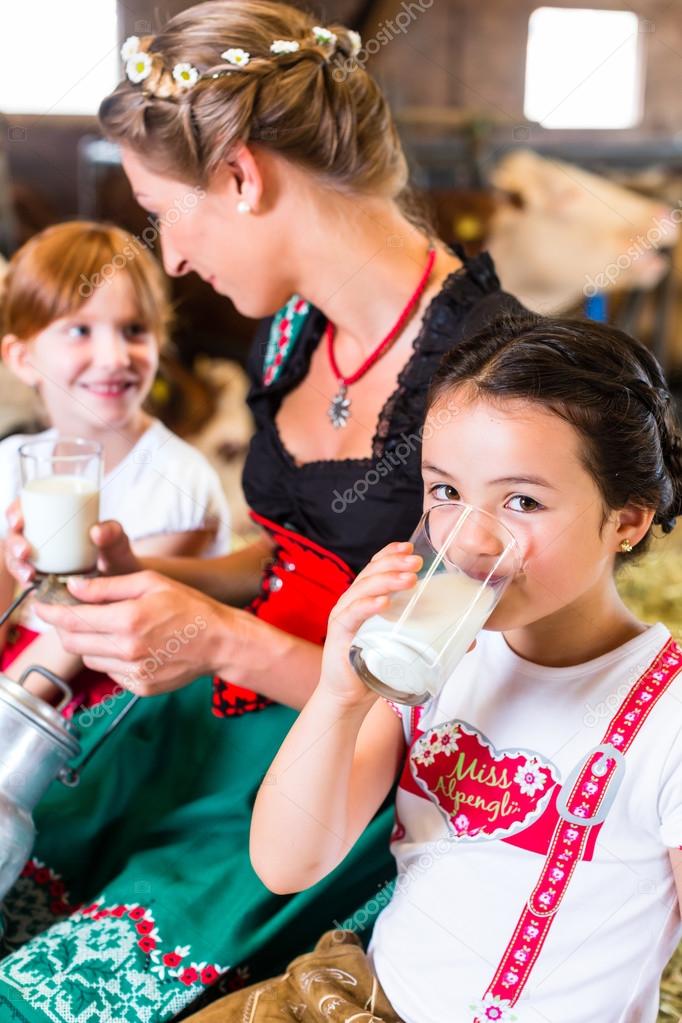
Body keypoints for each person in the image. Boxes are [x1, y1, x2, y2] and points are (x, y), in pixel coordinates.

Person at [0, 3, 523, 1020]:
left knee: (40, 993)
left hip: (328, 775)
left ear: (240, 177)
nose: (177, 261)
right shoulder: (287, 332)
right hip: (217, 709)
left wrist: (222, 640)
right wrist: (147, 574)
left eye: (166, 213)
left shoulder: (487, 379)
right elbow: (288, 558)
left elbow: (437, 704)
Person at [186, 312, 682, 1023]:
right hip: (354, 1000)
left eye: (522, 500)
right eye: (445, 492)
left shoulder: (668, 719)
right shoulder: (436, 659)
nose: (471, 538)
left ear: (627, 520)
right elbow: (285, 863)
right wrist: (338, 693)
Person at [0, 220, 230, 706]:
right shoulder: (13, 460)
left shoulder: (181, 481)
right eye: (80, 330)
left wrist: (7, 710)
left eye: (134, 330)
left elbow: (87, 629)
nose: (113, 356)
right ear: (22, 358)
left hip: (122, 690)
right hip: (26, 663)